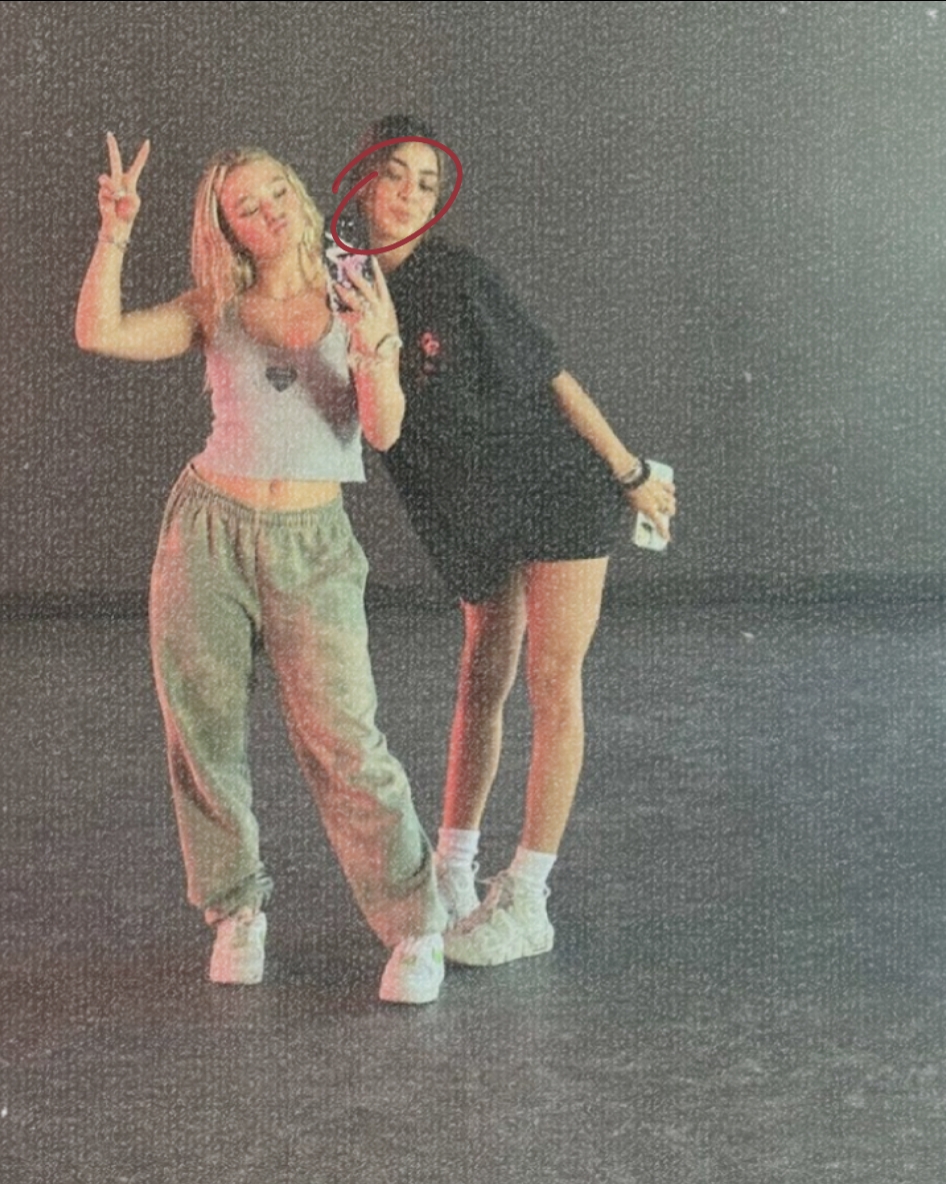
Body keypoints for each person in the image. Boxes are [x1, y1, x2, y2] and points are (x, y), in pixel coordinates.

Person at [75, 134, 447, 1003]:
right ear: (229, 230)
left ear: (299, 193)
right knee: (202, 734)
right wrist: (115, 231)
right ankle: (236, 910)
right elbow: (100, 332)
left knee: (347, 742)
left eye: (276, 191)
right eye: (247, 206)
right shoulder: (215, 307)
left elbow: (384, 429)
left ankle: (416, 927)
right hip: (207, 533)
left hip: (312, 542)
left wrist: (375, 351)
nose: (269, 211)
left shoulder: (355, 286)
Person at [339, 115, 677, 967]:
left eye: (427, 183)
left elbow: (550, 374)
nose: (412, 194)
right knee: (479, 679)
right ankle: (453, 871)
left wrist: (630, 470)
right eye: (396, 175)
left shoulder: (458, 277)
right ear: (363, 183)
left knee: (551, 681)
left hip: (557, 491)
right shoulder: (341, 281)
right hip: (467, 512)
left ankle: (528, 898)